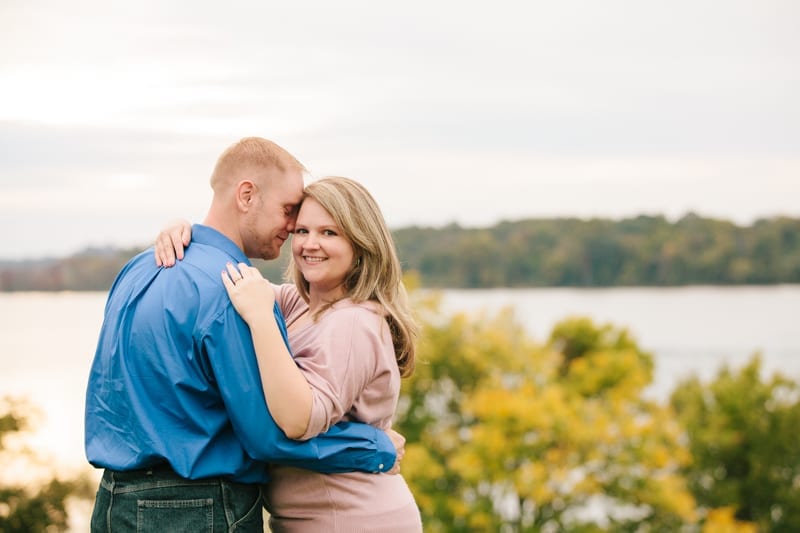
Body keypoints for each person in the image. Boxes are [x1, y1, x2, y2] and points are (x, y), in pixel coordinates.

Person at [85, 138, 402, 533]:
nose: (292, 231)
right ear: (247, 195)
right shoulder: (233, 291)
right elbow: (266, 435)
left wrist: (184, 229)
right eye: (291, 214)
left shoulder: (139, 268)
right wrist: (373, 446)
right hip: (194, 506)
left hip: (114, 501)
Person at [158, 177, 423, 531]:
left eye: (329, 233)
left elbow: (300, 420)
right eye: (301, 231)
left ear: (361, 244)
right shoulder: (302, 304)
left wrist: (261, 319)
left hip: (351, 519)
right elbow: (226, 281)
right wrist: (187, 234)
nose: (310, 244)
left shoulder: (354, 321)